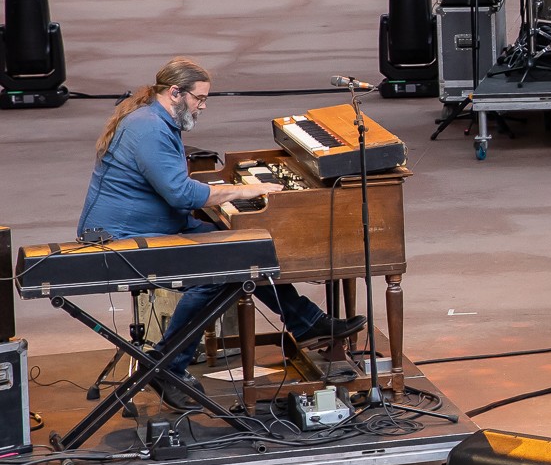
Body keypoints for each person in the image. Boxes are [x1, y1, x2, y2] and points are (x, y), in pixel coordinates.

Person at [76, 58, 364, 393]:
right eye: (199, 98)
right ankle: (168, 365)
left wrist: (226, 191)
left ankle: (307, 323)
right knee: (215, 274)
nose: (202, 106)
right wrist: (242, 190)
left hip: (154, 226)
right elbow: (181, 193)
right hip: (121, 239)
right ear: (175, 93)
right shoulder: (149, 128)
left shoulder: (154, 119)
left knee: (247, 248)